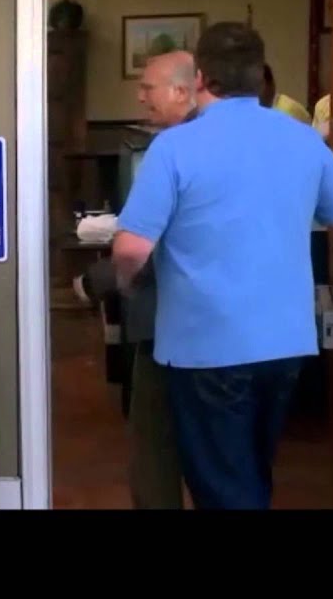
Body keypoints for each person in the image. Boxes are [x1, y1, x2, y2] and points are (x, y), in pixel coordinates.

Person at [112, 22, 333, 510]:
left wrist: (126, 283)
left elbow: (130, 249)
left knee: (225, 489)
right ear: (256, 75)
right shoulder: (304, 141)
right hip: (284, 346)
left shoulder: (174, 147)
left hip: (206, 350)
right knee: (249, 472)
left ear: (201, 78)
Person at [74, 50, 196, 509]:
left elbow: (141, 247)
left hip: (167, 323)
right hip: (229, 333)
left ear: (182, 91)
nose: (140, 96)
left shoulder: (170, 150)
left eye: (148, 88)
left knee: (154, 448)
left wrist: (102, 279)